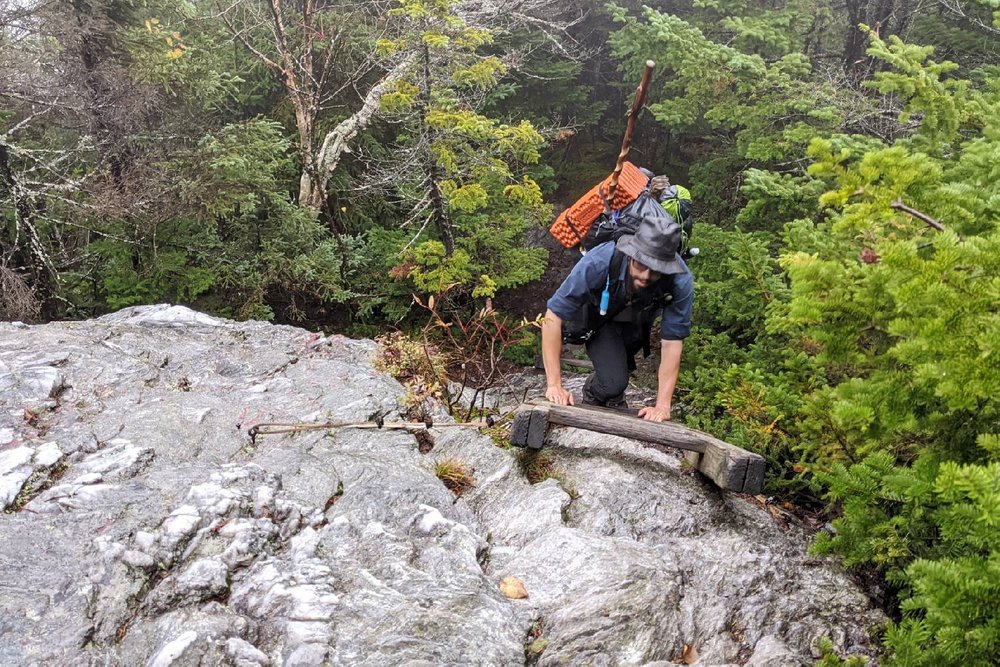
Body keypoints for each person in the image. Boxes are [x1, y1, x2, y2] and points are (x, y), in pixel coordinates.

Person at [540, 214, 693, 421]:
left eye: (656, 270)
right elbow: (553, 316)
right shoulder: (600, 261)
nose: (646, 276)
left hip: (638, 320)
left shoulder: (680, 280)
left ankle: (612, 394)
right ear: (631, 254)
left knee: (620, 372)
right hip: (599, 319)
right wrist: (554, 385)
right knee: (614, 382)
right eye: (640, 264)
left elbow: (672, 342)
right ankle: (594, 393)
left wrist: (662, 406)